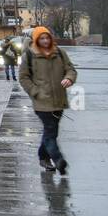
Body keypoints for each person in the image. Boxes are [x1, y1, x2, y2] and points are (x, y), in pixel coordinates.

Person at [19, 26, 77, 174]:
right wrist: (35, 92)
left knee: (51, 132)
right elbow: (23, 77)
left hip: (59, 99)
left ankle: (43, 157)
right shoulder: (29, 55)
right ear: (36, 40)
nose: (45, 41)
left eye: (47, 38)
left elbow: (71, 70)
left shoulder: (60, 53)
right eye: (42, 38)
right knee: (50, 131)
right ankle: (58, 160)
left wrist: (68, 79)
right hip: (41, 101)